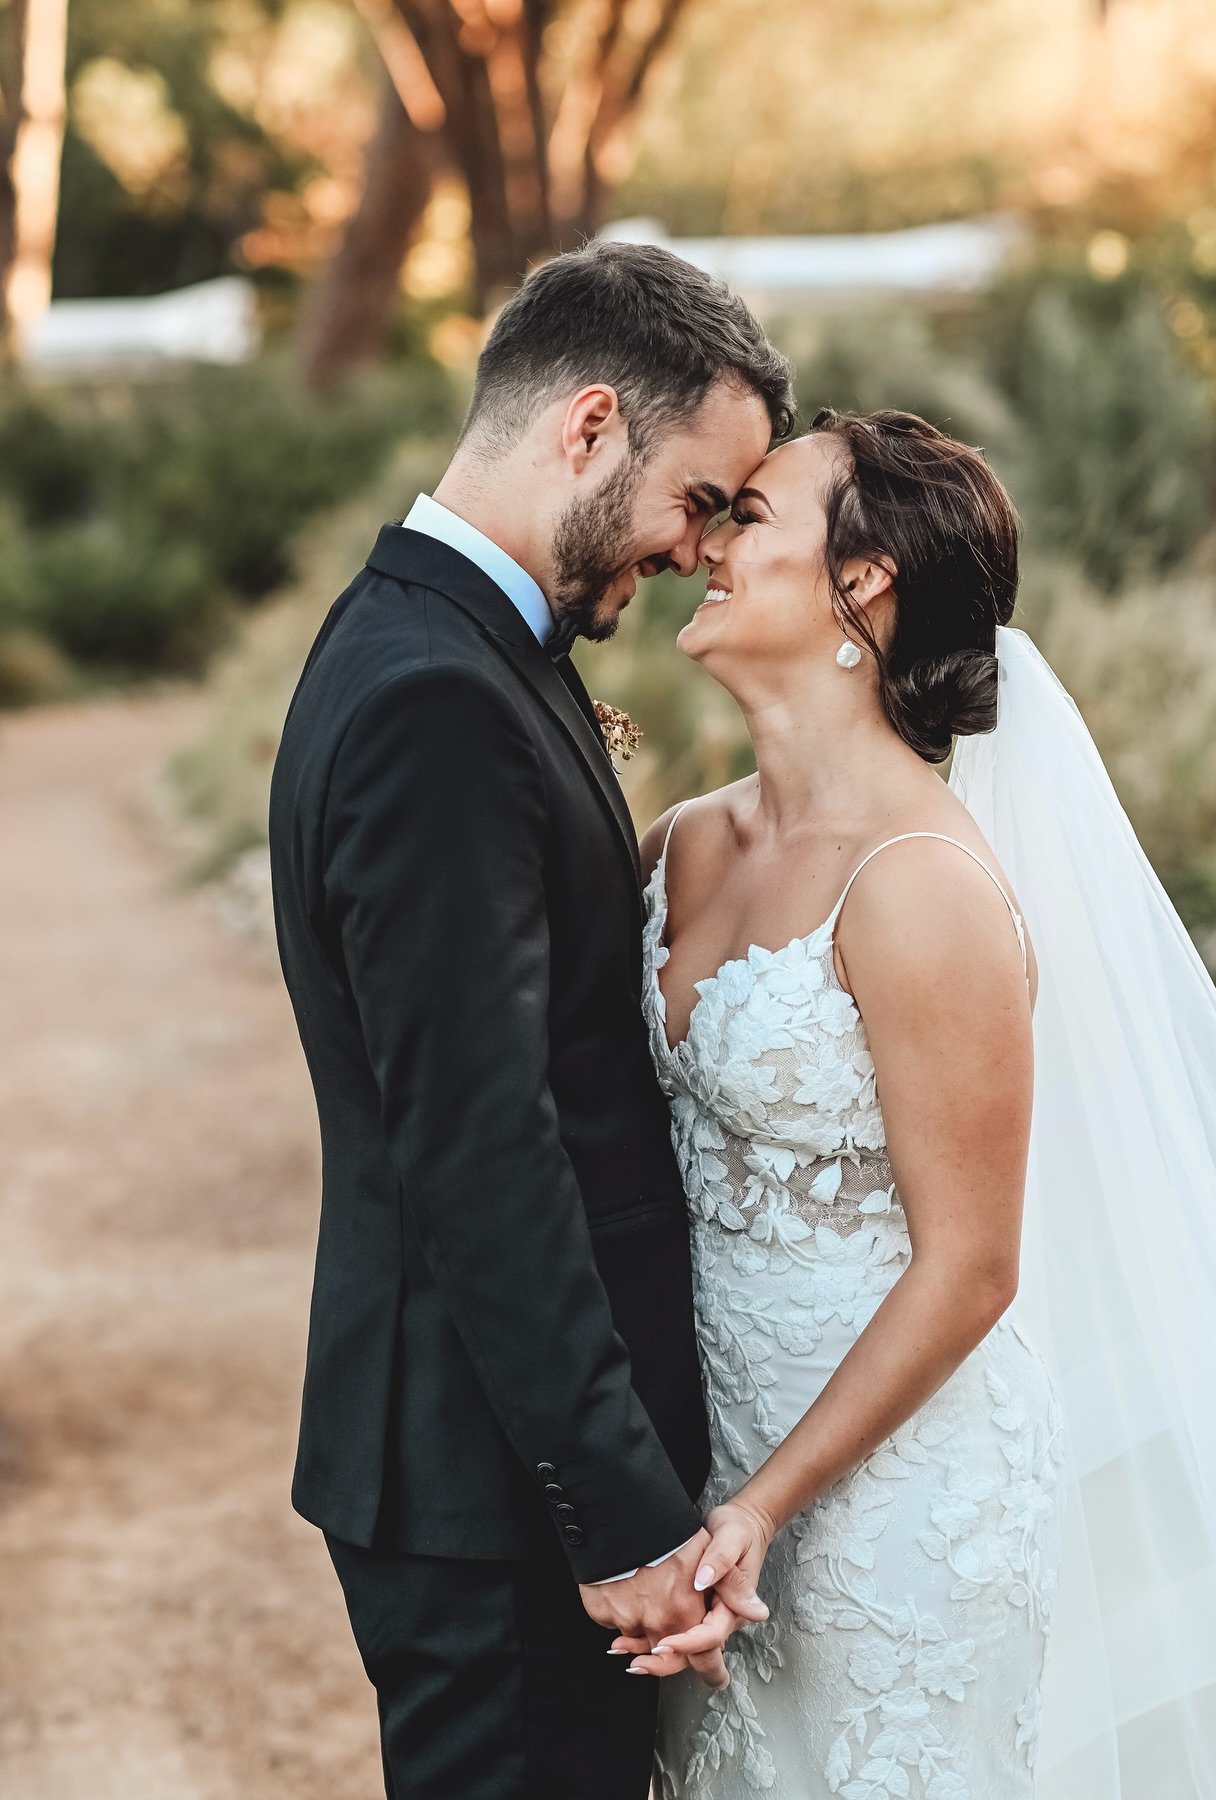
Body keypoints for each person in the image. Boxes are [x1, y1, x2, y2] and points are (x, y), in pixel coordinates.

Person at [627, 410, 1216, 1799]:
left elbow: (973, 1266)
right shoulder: (684, 843)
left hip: (892, 1500)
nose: (706, 541)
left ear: (862, 578)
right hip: (711, 1465)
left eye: (750, 516)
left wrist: (763, 1507)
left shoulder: (922, 886)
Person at [267, 238, 792, 1800]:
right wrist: (617, 1510)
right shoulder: (439, 696)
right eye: (697, 499)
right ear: (586, 428)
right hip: (489, 1483)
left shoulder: (458, 643)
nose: (702, 552)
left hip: (483, 1462)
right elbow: (483, 1144)